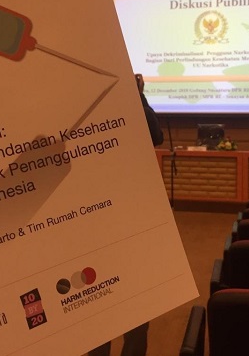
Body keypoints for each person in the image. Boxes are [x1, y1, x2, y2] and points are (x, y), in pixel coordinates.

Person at [87, 74, 162, 356]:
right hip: (129, 213)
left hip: (101, 215)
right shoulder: (136, 110)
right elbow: (156, 136)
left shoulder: (93, 111)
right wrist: (138, 95)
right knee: (132, 297)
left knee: (100, 299)